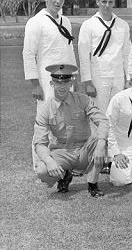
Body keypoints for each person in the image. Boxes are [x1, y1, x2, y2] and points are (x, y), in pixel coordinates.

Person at [32, 64, 108, 197]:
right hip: (63, 151)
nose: (62, 86)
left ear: (71, 83)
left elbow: (102, 121)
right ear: (51, 83)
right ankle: (64, 175)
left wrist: (101, 143)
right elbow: (39, 143)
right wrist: (49, 161)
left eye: (65, 82)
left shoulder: (83, 99)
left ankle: (92, 183)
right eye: (57, 82)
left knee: (100, 140)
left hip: (85, 149)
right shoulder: (45, 108)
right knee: (42, 170)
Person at [78, 0, 132, 112]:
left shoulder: (122, 25)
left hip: (118, 76)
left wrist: (129, 78)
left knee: (117, 113)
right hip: (98, 77)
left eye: (110, 2)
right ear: (97, 1)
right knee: (98, 114)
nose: (107, 5)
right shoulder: (88, 25)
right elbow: (83, 55)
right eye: (103, 1)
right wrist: (87, 81)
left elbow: (127, 53)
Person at [23, 0, 77, 105]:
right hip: (47, 79)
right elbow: (28, 54)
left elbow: (70, 51)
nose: (58, 2)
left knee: (68, 118)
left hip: (67, 77)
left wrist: (75, 78)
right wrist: (35, 84)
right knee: (48, 118)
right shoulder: (36, 22)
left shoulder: (66, 21)